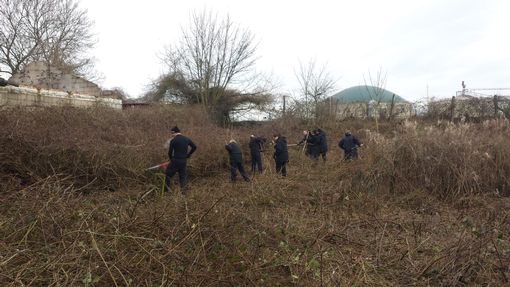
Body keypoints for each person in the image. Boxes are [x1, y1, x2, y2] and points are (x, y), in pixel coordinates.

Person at [164, 126, 197, 195]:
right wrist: (188, 154)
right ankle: (184, 193)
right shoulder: (186, 139)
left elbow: (169, 153)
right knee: (183, 177)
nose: (171, 135)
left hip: (175, 160)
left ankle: (167, 191)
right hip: (183, 161)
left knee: (167, 175)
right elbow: (194, 147)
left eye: (171, 133)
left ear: (173, 132)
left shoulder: (173, 140)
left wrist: (171, 160)